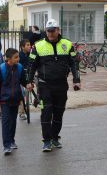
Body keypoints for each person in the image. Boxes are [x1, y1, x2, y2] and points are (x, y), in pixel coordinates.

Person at [27, 19, 81, 152]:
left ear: (58, 30)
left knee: (58, 113)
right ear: (46, 31)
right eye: (48, 31)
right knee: (46, 113)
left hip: (61, 85)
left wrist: (76, 79)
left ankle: (55, 138)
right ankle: (46, 141)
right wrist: (29, 81)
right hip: (44, 85)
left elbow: (74, 63)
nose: (50, 33)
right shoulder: (38, 46)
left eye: (53, 31)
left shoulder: (68, 44)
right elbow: (31, 65)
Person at [0, 48, 27, 155]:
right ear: (8, 59)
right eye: (16, 57)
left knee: (13, 121)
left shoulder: (20, 68)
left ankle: (12, 141)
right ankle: (6, 145)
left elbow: (23, 81)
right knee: (6, 122)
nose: (18, 59)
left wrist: (28, 84)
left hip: (16, 99)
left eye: (18, 56)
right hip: (4, 100)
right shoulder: (1, 69)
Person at [18, 39, 31, 120]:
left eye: (30, 44)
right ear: (23, 47)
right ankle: (21, 112)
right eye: (27, 45)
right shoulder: (19, 55)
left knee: (40, 88)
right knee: (22, 93)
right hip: (21, 77)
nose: (29, 46)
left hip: (30, 75)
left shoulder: (31, 54)